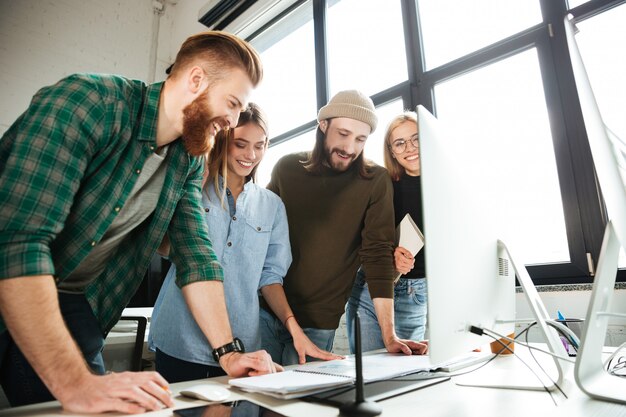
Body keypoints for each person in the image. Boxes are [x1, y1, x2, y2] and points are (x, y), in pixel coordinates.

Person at [0, 31, 280, 414]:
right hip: (15, 272)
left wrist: (229, 354)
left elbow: (196, 256)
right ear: (196, 80)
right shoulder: (90, 102)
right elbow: (18, 244)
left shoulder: (187, 160)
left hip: (71, 299)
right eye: (232, 103)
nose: (232, 121)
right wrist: (77, 383)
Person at [149, 103, 341, 382]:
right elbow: (162, 246)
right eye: (240, 144)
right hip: (180, 335)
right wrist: (195, 181)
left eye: (259, 146)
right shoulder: (195, 187)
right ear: (224, 140)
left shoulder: (272, 206)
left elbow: (270, 277)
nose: (251, 155)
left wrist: (295, 330)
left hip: (242, 342)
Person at [259, 90, 428, 365]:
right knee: (251, 402)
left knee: (304, 407)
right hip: (264, 311)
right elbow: (259, 236)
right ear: (323, 125)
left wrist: (390, 335)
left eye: (360, 139)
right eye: (343, 134)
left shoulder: (376, 180)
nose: (350, 147)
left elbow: (376, 254)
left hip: (319, 322)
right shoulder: (287, 168)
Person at [346, 111, 427, 353]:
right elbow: (362, 239)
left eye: (416, 139)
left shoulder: (444, 185)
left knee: (406, 372)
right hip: (369, 288)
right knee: (369, 371)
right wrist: (392, 255)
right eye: (399, 143)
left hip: (414, 291)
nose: (409, 148)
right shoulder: (383, 184)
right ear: (391, 151)